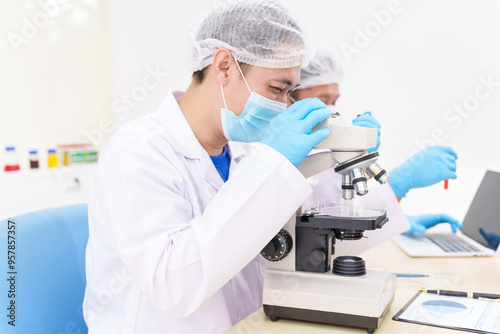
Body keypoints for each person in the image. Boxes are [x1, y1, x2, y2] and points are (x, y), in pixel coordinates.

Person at [83, 1, 353, 333]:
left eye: (290, 92)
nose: (284, 105)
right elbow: (175, 286)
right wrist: (271, 166)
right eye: (277, 89)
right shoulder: (137, 155)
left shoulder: (244, 151)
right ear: (224, 66)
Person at [290, 48, 461, 235]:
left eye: (334, 101)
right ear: (289, 97)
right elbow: (316, 212)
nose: (330, 110)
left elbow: (339, 209)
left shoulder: (313, 152)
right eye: (323, 100)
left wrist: (400, 218)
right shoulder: (280, 152)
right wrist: (399, 182)